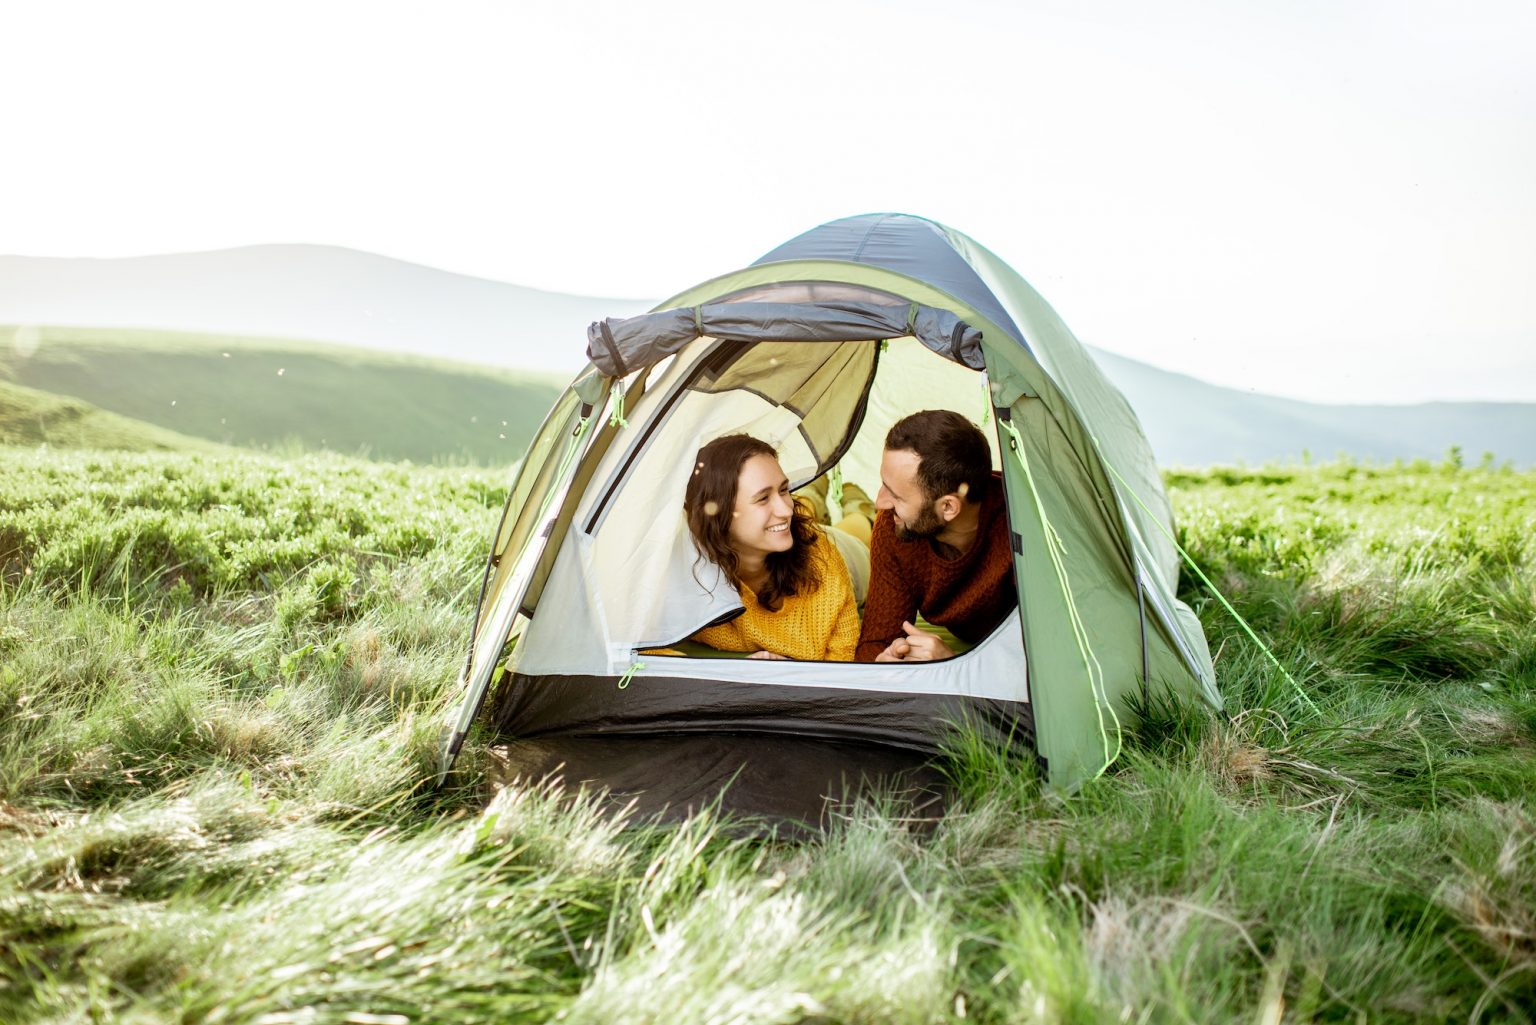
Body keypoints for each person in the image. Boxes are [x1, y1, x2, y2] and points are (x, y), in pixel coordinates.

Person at [678, 434, 861, 661]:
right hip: (783, 533)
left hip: (848, 559)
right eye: (763, 498)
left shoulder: (821, 560)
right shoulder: (689, 575)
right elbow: (641, 648)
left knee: (858, 525)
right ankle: (816, 493)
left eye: (784, 489)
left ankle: (856, 502)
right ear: (720, 514)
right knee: (797, 513)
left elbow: (841, 660)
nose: (785, 508)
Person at [856, 410, 1017, 663]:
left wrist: (953, 664)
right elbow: (875, 642)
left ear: (948, 507)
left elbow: (1050, 655)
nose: (880, 502)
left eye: (896, 495)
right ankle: (850, 502)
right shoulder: (894, 525)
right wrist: (885, 659)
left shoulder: (1019, 529)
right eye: (883, 484)